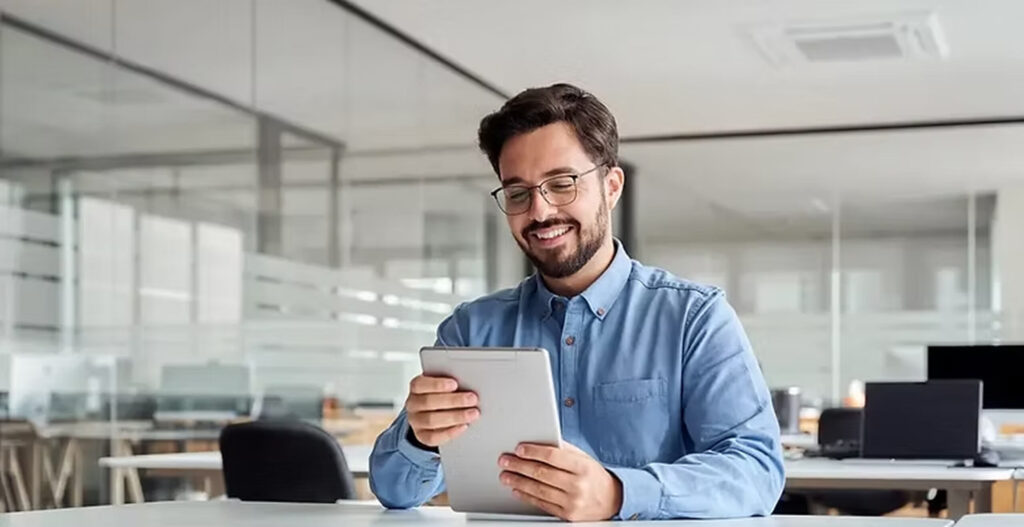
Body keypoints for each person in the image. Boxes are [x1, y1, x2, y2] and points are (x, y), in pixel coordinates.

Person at [369, 83, 784, 521]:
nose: (540, 211)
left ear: (611, 186)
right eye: (518, 193)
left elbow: (756, 471)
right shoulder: (472, 330)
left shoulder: (694, 318)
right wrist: (420, 437)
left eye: (561, 183)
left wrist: (621, 494)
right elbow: (395, 492)